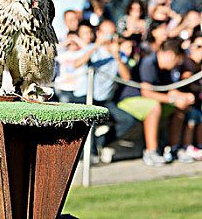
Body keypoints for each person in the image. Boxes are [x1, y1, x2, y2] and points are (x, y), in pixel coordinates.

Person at [118, 38, 196, 166]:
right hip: (130, 99)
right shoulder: (149, 63)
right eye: (178, 60)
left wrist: (184, 97)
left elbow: (168, 90)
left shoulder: (166, 69)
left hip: (150, 100)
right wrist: (173, 100)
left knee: (181, 108)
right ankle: (151, 152)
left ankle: (174, 148)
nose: (177, 64)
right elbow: (146, 93)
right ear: (171, 55)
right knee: (154, 107)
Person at [72, 20, 137, 160]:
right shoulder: (91, 48)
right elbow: (76, 64)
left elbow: (126, 77)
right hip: (86, 96)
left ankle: (100, 142)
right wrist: (96, 46)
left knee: (127, 120)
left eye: (111, 34)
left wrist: (117, 57)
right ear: (99, 34)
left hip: (104, 100)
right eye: (106, 33)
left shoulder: (118, 54)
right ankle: (90, 154)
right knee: (91, 120)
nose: (109, 37)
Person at [177, 33, 202, 160]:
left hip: (197, 102)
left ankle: (199, 145)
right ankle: (187, 147)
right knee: (194, 116)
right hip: (185, 101)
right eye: (199, 46)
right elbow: (188, 83)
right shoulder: (187, 63)